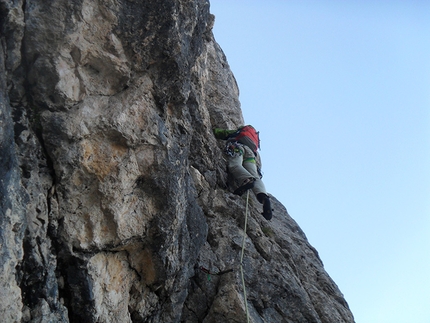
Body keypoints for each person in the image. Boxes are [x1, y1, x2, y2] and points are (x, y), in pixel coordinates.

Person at [213, 125, 273, 220]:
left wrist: (214, 130)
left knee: (235, 165)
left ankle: (246, 180)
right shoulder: (254, 142)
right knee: (255, 176)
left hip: (238, 147)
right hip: (251, 155)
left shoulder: (239, 133)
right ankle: (264, 197)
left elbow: (225, 134)